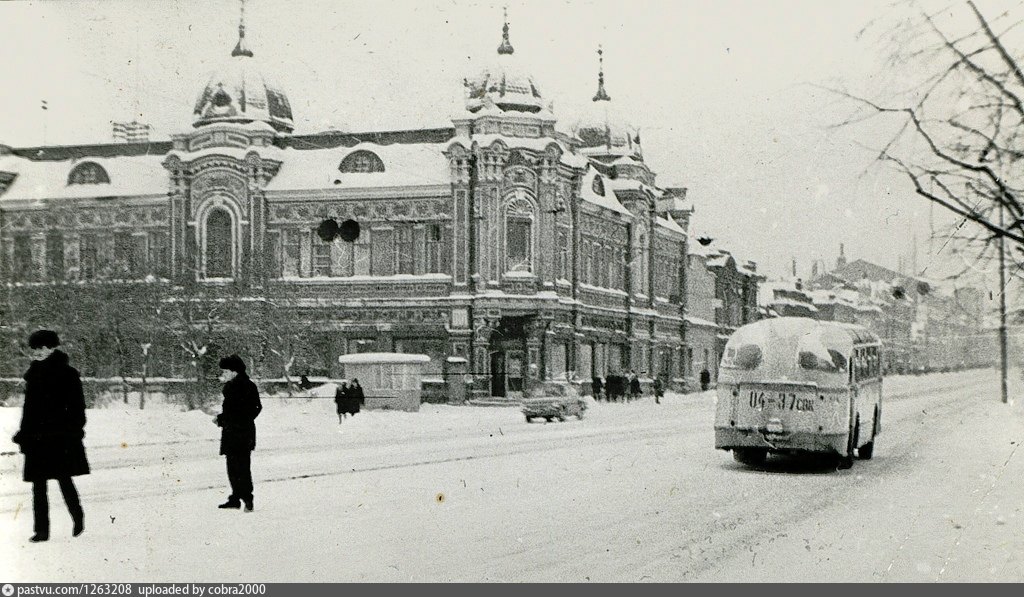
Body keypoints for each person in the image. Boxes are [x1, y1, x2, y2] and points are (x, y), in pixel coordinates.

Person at [12, 329, 88, 542]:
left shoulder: (67, 373)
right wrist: (23, 434)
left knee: (64, 479)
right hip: (36, 438)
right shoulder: (33, 374)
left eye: (42, 348)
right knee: (38, 486)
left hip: (59, 436)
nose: (37, 352)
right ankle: (42, 531)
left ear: (53, 348)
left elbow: (77, 407)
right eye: (34, 349)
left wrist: (72, 430)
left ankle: (77, 516)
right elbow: (29, 410)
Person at [214, 355, 262, 512]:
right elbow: (231, 411)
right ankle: (235, 498)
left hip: (242, 434)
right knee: (232, 468)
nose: (223, 375)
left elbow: (255, 408)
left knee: (242, 467)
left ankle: (248, 499)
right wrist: (222, 419)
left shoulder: (247, 386)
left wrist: (240, 421)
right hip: (231, 433)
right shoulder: (230, 387)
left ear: (234, 371)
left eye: (226, 371)